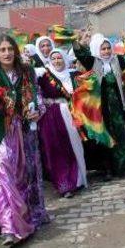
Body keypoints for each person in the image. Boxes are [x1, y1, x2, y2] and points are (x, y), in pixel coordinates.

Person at [0, 35, 49, 245]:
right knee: (1, 176)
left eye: (10, 49)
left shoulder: (27, 72)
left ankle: (23, 219)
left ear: (15, 50)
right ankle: (9, 228)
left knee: (22, 177)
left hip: (23, 133)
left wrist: (38, 110)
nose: (7, 53)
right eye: (2, 50)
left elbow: (37, 96)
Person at [72, 32, 125, 179]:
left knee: (121, 133)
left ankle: (122, 165)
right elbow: (80, 53)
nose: (106, 51)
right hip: (101, 108)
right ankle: (108, 168)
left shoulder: (117, 61)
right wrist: (74, 40)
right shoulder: (93, 62)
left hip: (117, 106)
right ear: (97, 50)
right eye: (103, 49)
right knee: (106, 137)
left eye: (107, 48)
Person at [37, 48, 87, 198]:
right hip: (51, 116)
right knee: (56, 149)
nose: (57, 61)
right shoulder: (43, 75)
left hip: (70, 114)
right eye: (53, 59)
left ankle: (77, 180)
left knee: (73, 146)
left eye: (59, 58)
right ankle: (63, 185)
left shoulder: (73, 75)